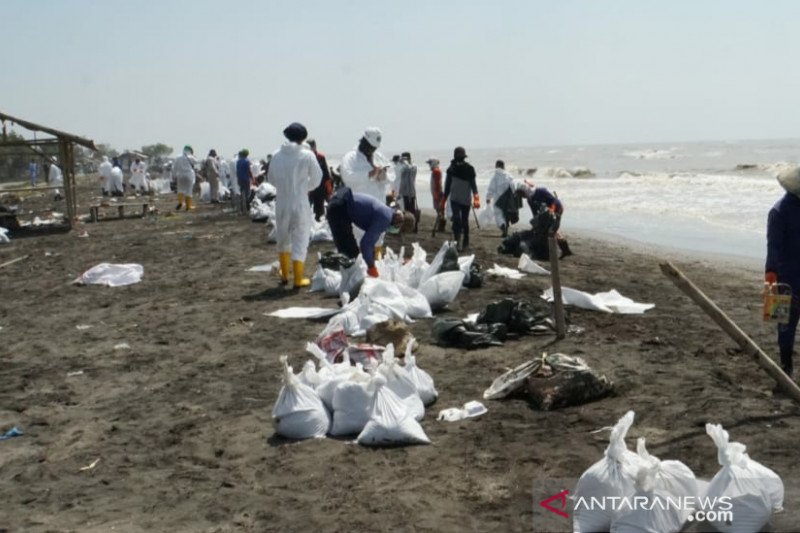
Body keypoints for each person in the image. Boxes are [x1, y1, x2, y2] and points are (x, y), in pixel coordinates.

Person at [267, 122, 323, 287]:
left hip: (282, 201)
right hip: (299, 201)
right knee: (300, 237)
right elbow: (317, 179)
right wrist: (305, 188)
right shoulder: (307, 155)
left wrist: (284, 187)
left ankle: (284, 276)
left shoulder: (277, 155)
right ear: (303, 138)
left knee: (283, 237)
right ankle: (298, 279)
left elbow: (270, 179)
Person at [326, 187, 415, 278]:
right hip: (339, 208)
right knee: (350, 256)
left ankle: (334, 267)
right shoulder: (385, 220)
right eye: (400, 230)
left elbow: (391, 199)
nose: (396, 232)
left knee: (351, 253)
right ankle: (326, 265)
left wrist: (369, 258)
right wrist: (371, 266)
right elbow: (366, 244)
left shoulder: (390, 212)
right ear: (400, 225)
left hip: (341, 200)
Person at [766, 168, 800, 378]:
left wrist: (770, 277)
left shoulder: (777, 211)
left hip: (784, 277)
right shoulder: (780, 211)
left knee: (784, 327)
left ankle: (786, 368)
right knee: (786, 325)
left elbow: (773, 248)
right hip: (789, 276)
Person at [340, 127, 391, 258]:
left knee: (379, 235)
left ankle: (377, 270)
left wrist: (384, 176)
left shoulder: (378, 156)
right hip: (360, 206)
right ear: (364, 142)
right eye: (370, 147)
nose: (372, 150)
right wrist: (368, 174)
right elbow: (347, 176)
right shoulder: (350, 157)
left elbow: (392, 172)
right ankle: (363, 270)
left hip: (379, 204)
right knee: (361, 236)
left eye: (375, 148)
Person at [516, 183, 573, 259]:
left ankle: (565, 250)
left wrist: (552, 210)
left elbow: (554, 201)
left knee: (551, 231)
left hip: (556, 209)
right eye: (520, 194)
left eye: (521, 193)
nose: (521, 196)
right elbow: (535, 213)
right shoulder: (530, 200)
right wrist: (536, 224)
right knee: (550, 230)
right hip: (546, 215)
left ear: (525, 190)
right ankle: (566, 250)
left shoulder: (541, 191)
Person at [442, 146, 479, 251]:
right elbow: (447, 186)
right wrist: (444, 200)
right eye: (457, 155)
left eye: (460, 155)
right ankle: (457, 242)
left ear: (464, 157)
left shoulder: (470, 169)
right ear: (454, 156)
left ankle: (466, 241)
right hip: (454, 199)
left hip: (466, 200)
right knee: (457, 219)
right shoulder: (451, 169)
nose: (459, 157)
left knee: (465, 221)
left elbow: (473, 185)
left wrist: (476, 197)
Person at [486, 160, 516, 237]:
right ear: (503, 166)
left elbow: (491, 188)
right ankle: (506, 229)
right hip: (507, 197)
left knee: (498, 214)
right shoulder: (509, 175)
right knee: (506, 214)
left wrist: (488, 197)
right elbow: (513, 186)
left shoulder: (495, 176)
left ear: (497, 166)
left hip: (498, 198)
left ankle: (503, 227)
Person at [307, 139, 333, 221]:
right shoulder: (304, 157)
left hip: (320, 187)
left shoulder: (320, 157)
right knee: (306, 208)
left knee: (319, 211)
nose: (310, 149)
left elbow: (326, 174)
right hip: (309, 187)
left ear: (315, 146)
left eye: (311, 146)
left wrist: (329, 191)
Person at [397, 152, 419, 232]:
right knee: (406, 209)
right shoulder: (404, 167)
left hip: (409, 191)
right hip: (406, 191)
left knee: (411, 210)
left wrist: (405, 163)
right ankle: (409, 227)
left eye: (404, 158)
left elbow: (409, 169)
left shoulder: (413, 166)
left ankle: (413, 227)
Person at [172, 145, 197, 210]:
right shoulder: (190, 156)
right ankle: (188, 206)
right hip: (188, 174)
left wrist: (174, 176)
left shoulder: (178, 157)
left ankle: (180, 202)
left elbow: (174, 167)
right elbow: (196, 162)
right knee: (189, 190)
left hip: (180, 175)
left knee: (180, 189)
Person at [427, 158, 446, 232]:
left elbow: (437, 183)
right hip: (437, 193)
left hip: (437, 193)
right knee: (440, 210)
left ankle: (441, 226)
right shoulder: (436, 171)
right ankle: (441, 226)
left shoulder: (436, 171)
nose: (429, 165)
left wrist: (436, 194)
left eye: (430, 163)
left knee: (439, 210)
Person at [236, 149, 254, 214]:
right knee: (247, 194)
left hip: (240, 179)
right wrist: (252, 178)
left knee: (241, 194)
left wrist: (238, 179)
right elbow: (249, 171)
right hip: (246, 179)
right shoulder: (247, 161)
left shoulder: (238, 161)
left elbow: (237, 172)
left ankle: (241, 209)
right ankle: (248, 208)